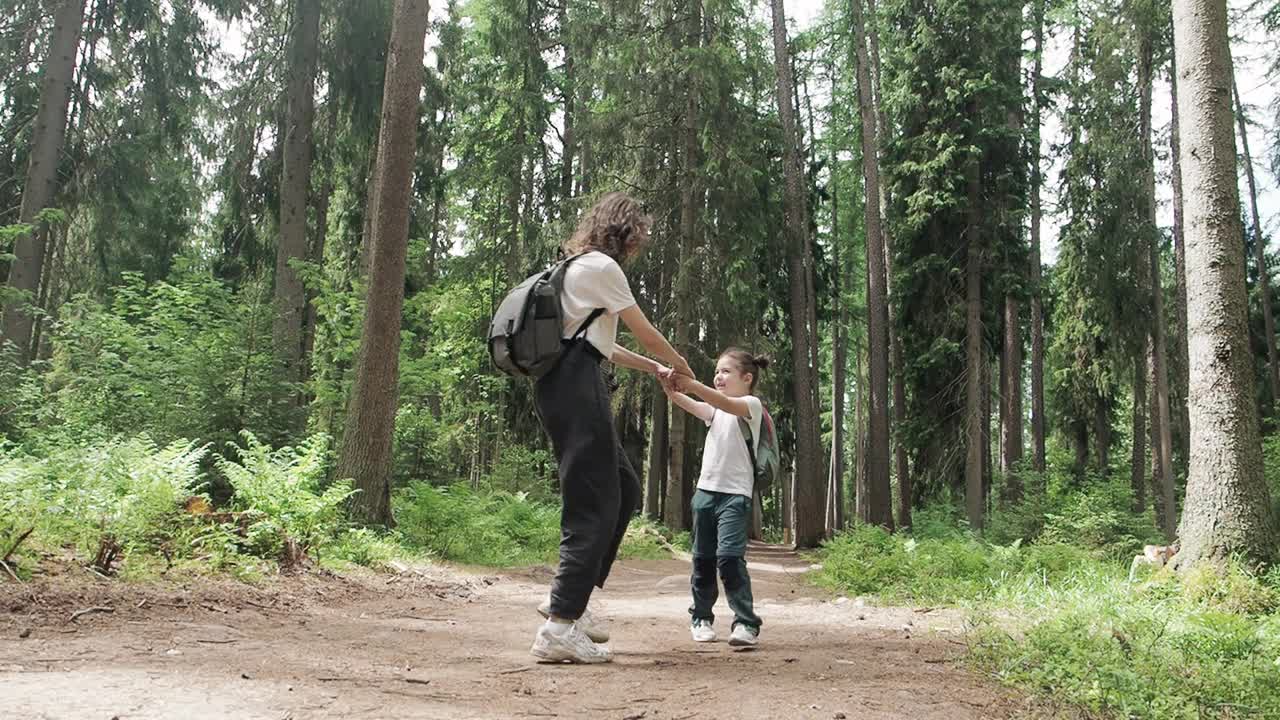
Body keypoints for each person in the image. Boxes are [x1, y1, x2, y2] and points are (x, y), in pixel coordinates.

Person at [530, 192, 694, 664]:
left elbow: (605, 346)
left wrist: (655, 370)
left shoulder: (575, 269)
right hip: (576, 385)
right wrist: (679, 362)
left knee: (623, 485)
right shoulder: (602, 267)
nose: (639, 244)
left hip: (568, 380)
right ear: (624, 232)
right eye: (638, 235)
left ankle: (573, 606)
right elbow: (642, 329)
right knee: (595, 499)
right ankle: (559, 625)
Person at [661, 348, 766, 647]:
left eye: (726, 372)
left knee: (730, 558)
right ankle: (701, 618)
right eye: (717, 371)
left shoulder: (750, 405)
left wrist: (693, 385)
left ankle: (746, 623)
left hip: (735, 495)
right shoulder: (716, 410)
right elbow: (695, 406)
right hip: (705, 493)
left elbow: (720, 402)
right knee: (702, 560)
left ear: (747, 378)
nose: (719, 376)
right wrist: (670, 387)